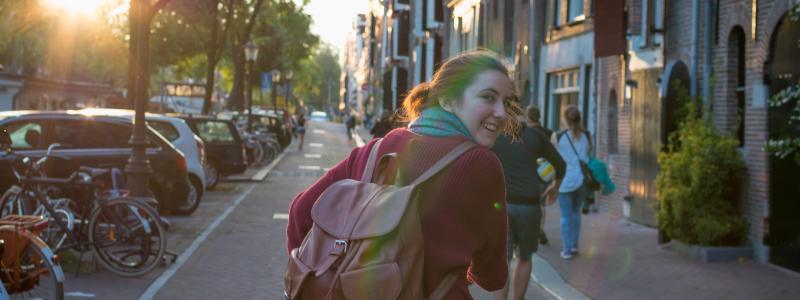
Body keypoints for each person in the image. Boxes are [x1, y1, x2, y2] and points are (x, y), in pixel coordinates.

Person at [286, 51, 521, 298]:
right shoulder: (481, 164)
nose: (502, 113)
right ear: (447, 100)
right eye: (488, 97)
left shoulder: (372, 150)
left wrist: (325, 272)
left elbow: (300, 211)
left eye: (506, 102)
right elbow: (492, 277)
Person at [491, 105, 565, 300]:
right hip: (529, 207)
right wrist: (554, 187)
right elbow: (561, 165)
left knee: (502, 261)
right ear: (523, 116)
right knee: (524, 258)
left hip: (501, 208)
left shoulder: (493, 137)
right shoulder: (535, 136)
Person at [551, 106, 590, 260]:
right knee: (576, 213)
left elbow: (553, 157)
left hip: (565, 182)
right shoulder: (586, 135)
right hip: (581, 181)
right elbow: (588, 154)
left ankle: (567, 250)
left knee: (566, 216)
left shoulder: (557, 137)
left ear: (565, 120)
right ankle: (574, 246)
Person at [527, 105, 553, 245]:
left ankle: (533, 229)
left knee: (529, 202)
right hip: (544, 173)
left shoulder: (526, 133)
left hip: (528, 172)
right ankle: (540, 228)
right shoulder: (548, 133)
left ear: (529, 117)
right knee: (541, 203)